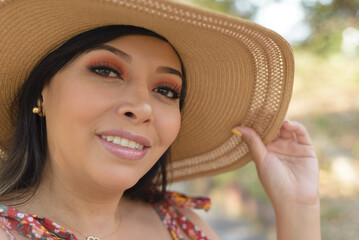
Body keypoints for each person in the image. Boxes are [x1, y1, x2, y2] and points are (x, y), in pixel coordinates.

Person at [0, 0, 320, 239]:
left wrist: (299, 205)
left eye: (166, 90)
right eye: (106, 71)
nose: (143, 107)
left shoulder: (179, 223)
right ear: (41, 93)